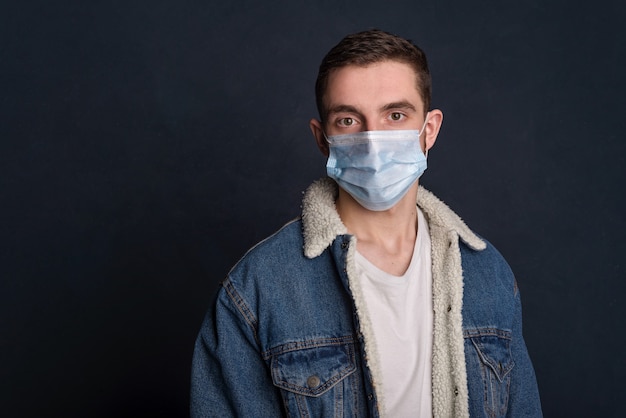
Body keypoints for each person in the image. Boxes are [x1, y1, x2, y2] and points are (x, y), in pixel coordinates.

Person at [191, 29, 542, 417]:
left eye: (395, 115)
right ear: (322, 138)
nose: (373, 140)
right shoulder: (257, 289)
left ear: (429, 130)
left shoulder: (488, 275)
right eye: (347, 119)